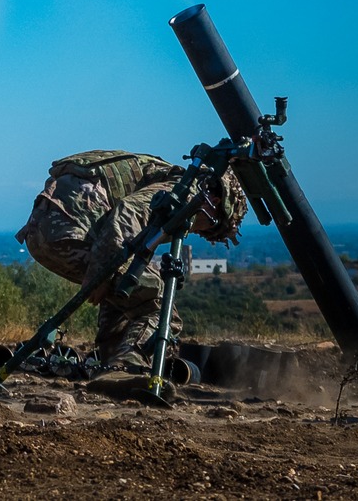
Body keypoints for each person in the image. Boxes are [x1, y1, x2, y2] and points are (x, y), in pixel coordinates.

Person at [16, 150, 248, 369]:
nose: (198, 232)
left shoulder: (165, 177)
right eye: (209, 227)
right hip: (71, 231)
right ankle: (128, 365)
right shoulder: (185, 190)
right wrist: (101, 272)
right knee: (159, 304)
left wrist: (107, 274)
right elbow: (129, 211)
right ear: (215, 202)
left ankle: (111, 366)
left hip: (40, 234)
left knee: (127, 291)